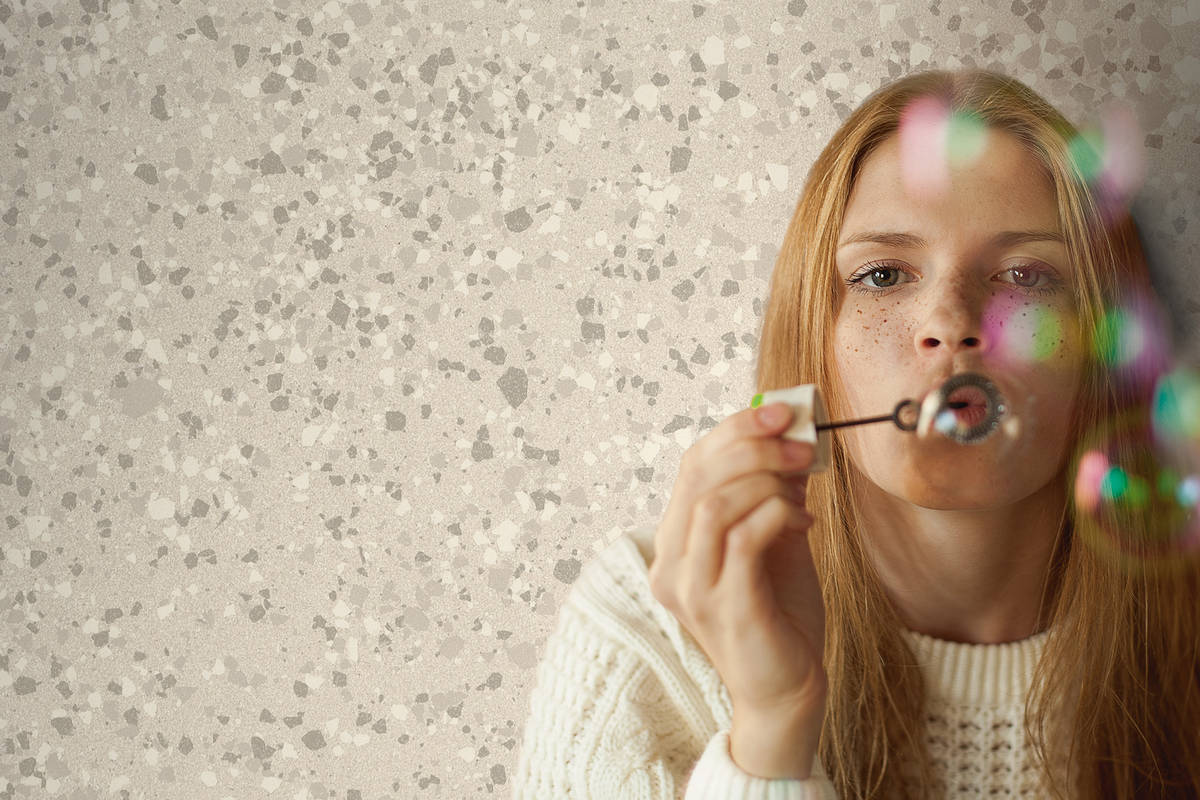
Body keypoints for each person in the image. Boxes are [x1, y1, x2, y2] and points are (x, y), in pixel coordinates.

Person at [510, 68, 1200, 799]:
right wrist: (773, 729)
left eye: (1026, 276)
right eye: (881, 275)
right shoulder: (652, 631)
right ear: (816, 336)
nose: (950, 323)